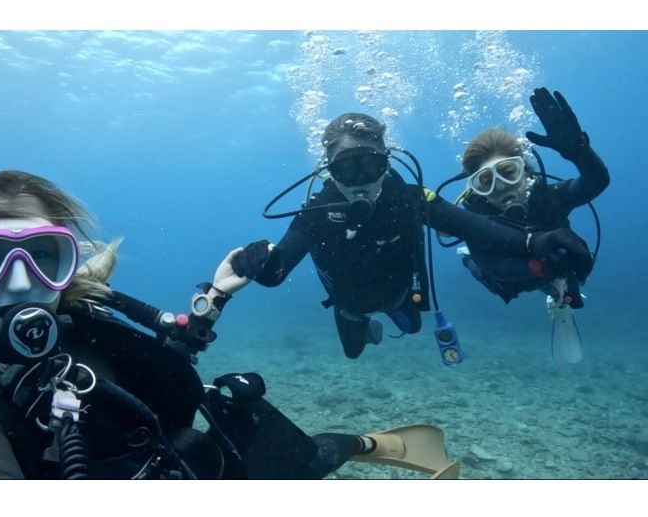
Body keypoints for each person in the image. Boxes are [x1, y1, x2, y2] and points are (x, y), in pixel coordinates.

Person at [0, 170, 459, 479]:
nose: (18, 282)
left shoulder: (93, 316)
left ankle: (365, 443)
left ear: (68, 267)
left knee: (274, 457)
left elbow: (177, 342)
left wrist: (214, 295)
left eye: (43, 256)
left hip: (174, 460)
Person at [223, 112, 596, 359]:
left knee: (413, 326)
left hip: (401, 293)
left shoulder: (412, 200)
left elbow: (474, 227)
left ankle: (382, 316)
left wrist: (534, 242)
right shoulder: (316, 214)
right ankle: (362, 324)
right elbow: (277, 271)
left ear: (386, 161)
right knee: (354, 353)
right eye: (347, 170)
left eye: (371, 165)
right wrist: (261, 260)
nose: (361, 181)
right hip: (349, 303)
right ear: (330, 172)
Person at [452, 87, 610, 362]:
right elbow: (492, 267)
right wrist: (542, 266)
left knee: (572, 269)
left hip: (551, 264)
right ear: (478, 191)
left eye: (508, 172)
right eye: (486, 181)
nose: (501, 187)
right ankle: (465, 256)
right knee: (488, 275)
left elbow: (595, 182)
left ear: (525, 170)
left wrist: (578, 151)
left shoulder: (548, 198)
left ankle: (556, 289)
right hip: (504, 274)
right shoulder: (477, 218)